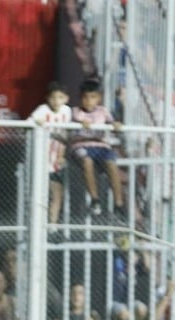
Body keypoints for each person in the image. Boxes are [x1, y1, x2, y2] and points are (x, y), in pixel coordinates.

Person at [70, 78, 126, 220]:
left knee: (112, 164)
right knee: (87, 161)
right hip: (82, 145)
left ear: (99, 98)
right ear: (80, 98)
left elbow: (113, 123)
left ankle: (119, 204)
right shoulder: (75, 112)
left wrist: (116, 125)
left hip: (101, 146)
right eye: (85, 98)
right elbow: (75, 121)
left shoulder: (103, 111)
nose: (88, 101)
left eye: (92, 97)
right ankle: (95, 200)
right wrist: (81, 123)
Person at [28, 81, 72, 224]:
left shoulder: (67, 111)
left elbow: (65, 134)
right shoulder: (42, 110)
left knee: (57, 193)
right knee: (40, 194)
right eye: (53, 97)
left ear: (66, 99)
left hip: (55, 162)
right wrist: (36, 122)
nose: (56, 101)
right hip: (41, 160)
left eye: (60, 97)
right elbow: (28, 123)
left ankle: (52, 224)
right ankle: (38, 225)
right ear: (48, 98)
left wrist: (61, 155)